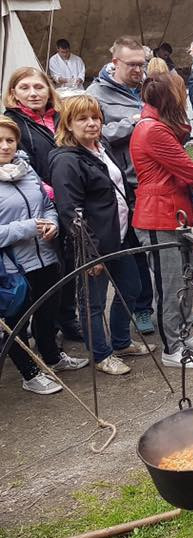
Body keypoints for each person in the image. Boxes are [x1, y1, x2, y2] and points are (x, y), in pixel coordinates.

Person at [49, 95, 157, 376]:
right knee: (92, 303)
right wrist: (89, 252)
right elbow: (70, 211)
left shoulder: (102, 147)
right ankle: (102, 354)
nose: (92, 123)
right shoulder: (66, 160)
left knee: (131, 288)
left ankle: (121, 341)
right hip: (93, 244)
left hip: (120, 236)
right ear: (68, 124)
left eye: (96, 117)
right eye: (83, 118)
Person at [130, 74, 193, 368]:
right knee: (171, 284)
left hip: (173, 213)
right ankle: (172, 348)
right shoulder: (153, 131)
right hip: (158, 216)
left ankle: (184, 334)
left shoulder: (159, 128)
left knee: (187, 279)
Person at [0, 117, 86, 395]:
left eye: (9, 140)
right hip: (13, 267)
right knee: (17, 324)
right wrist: (26, 228)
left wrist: (53, 223)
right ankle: (30, 373)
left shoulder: (26, 171)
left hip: (46, 256)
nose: (4, 146)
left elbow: (47, 204)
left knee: (48, 313)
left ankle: (52, 358)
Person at [3, 67, 85, 342]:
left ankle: (65, 318)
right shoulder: (12, 125)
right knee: (43, 271)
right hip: (40, 202)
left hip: (67, 199)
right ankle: (33, 334)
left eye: (38, 87)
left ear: (49, 90)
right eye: (24, 88)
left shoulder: (59, 117)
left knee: (68, 265)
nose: (33, 93)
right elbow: (22, 166)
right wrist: (51, 192)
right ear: (13, 94)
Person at [86, 36, 156, 335]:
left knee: (159, 249)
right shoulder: (95, 95)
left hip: (151, 182)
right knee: (135, 254)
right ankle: (141, 310)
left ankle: (158, 306)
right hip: (122, 188)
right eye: (133, 65)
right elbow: (94, 137)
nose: (139, 70)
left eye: (142, 64)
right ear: (115, 63)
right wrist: (135, 121)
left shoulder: (145, 88)